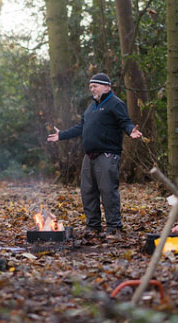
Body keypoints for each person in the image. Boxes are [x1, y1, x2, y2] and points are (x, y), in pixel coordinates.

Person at [47, 73, 142, 236]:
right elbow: (81, 127)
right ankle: (93, 226)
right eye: (91, 87)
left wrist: (130, 131)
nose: (92, 89)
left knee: (107, 191)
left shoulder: (115, 103)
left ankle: (114, 226)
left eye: (95, 86)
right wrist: (61, 135)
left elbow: (125, 122)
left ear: (106, 86)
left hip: (107, 155)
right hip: (89, 156)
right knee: (87, 191)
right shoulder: (91, 107)